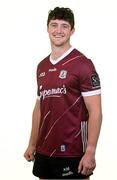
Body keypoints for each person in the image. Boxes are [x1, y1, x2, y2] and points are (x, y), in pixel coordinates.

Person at [24, 7, 102, 179]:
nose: (58, 30)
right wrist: (32, 143)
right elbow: (39, 107)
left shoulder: (83, 64)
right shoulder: (41, 66)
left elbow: (96, 111)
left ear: (72, 31)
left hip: (73, 150)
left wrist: (90, 151)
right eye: (54, 25)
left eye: (64, 26)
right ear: (47, 28)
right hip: (44, 149)